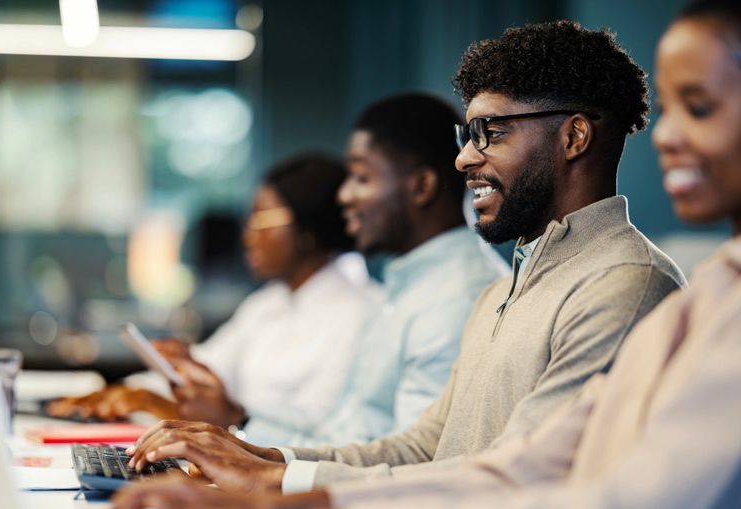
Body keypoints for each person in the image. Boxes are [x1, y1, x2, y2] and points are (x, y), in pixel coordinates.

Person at [105, 1, 741, 509]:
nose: (465, 160)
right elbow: (437, 452)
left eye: (490, 132)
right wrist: (267, 465)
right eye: (468, 135)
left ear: (574, 138)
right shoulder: (503, 294)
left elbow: (557, 497)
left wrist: (287, 501)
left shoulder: (627, 287)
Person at [54, 94, 509, 448]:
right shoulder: (407, 288)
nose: (346, 196)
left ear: (423, 186)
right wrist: (238, 439)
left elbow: (407, 465)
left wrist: (240, 437)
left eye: (362, 178)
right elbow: (347, 438)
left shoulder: (452, 298)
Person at [49, 153, 382, 444]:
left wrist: (201, 411)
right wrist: (131, 392)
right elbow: (211, 366)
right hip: (231, 454)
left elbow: (320, 431)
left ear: (308, 229)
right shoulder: (267, 303)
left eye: (261, 220)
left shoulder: (362, 313)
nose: (248, 234)